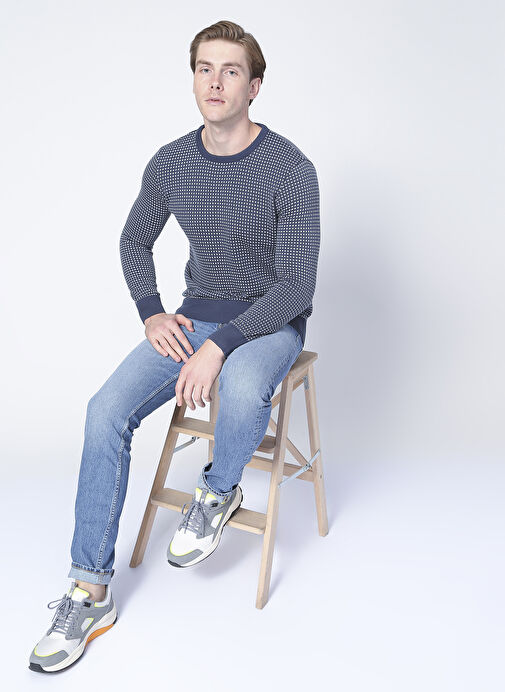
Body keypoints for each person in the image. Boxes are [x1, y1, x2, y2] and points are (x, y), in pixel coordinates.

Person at [29, 18, 320, 673]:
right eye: (203, 68)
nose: (215, 82)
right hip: (195, 318)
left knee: (242, 384)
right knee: (104, 411)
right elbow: (134, 240)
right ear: (192, 78)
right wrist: (151, 313)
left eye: (231, 71)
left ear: (254, 86)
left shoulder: (291, 168)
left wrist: (221, 347)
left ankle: (217, 492)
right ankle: (89, 591)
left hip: (270, 321)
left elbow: (297, 284)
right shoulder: (171, 162)